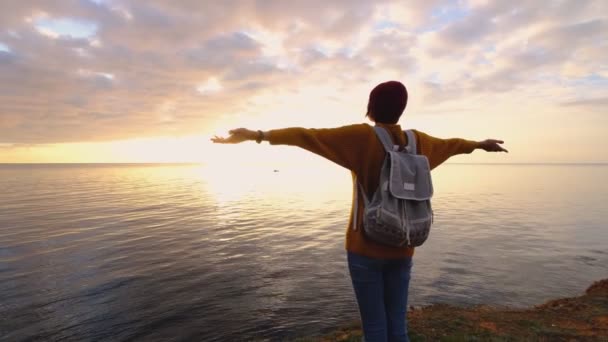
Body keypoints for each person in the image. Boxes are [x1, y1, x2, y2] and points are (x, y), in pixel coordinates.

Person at [212, 81, 507, 342]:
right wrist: (480, 145)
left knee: (375, 328)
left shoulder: (361, 138)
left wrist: (256, 134)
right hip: (404, 244)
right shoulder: (420, 142)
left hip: (365, 246)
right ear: (402, 109)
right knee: (397, 325)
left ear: (371, 106)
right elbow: (454, 145)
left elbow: (306, 135)